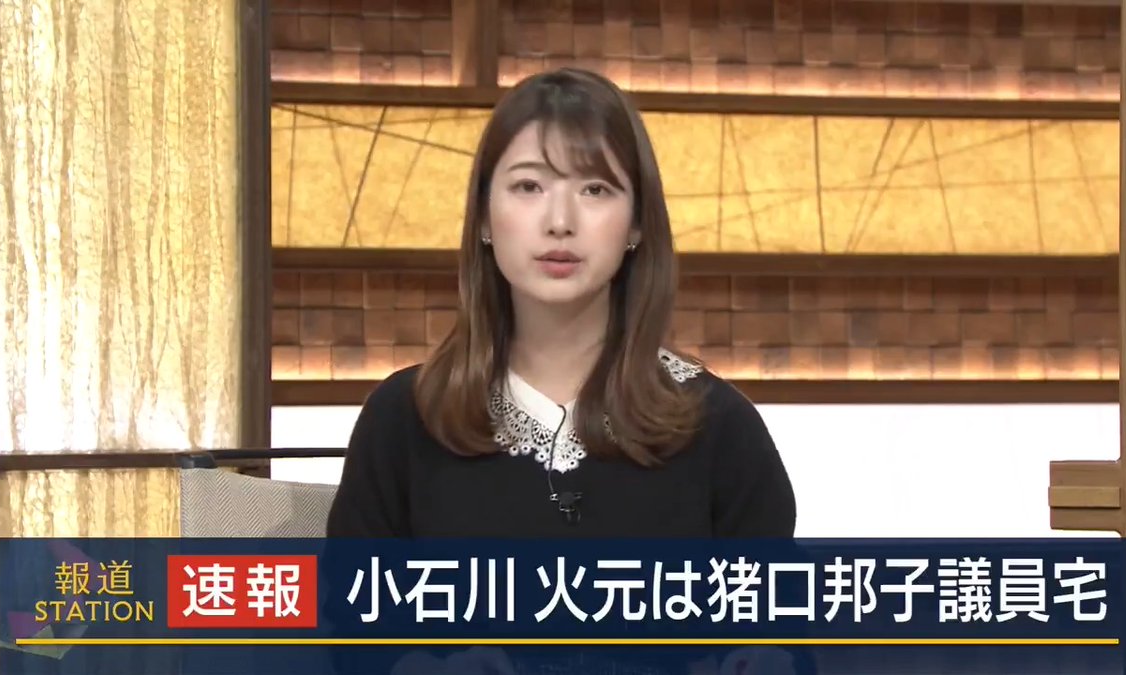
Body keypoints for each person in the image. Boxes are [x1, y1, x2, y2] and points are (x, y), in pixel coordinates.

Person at [322, 67, 802, 675]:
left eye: (595, 189)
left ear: (636, 225)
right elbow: (354, 639)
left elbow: (783, 633)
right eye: (528, 186)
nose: (560, 221)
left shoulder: (718, 426)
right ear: (483, 218)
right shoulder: (403, 418)